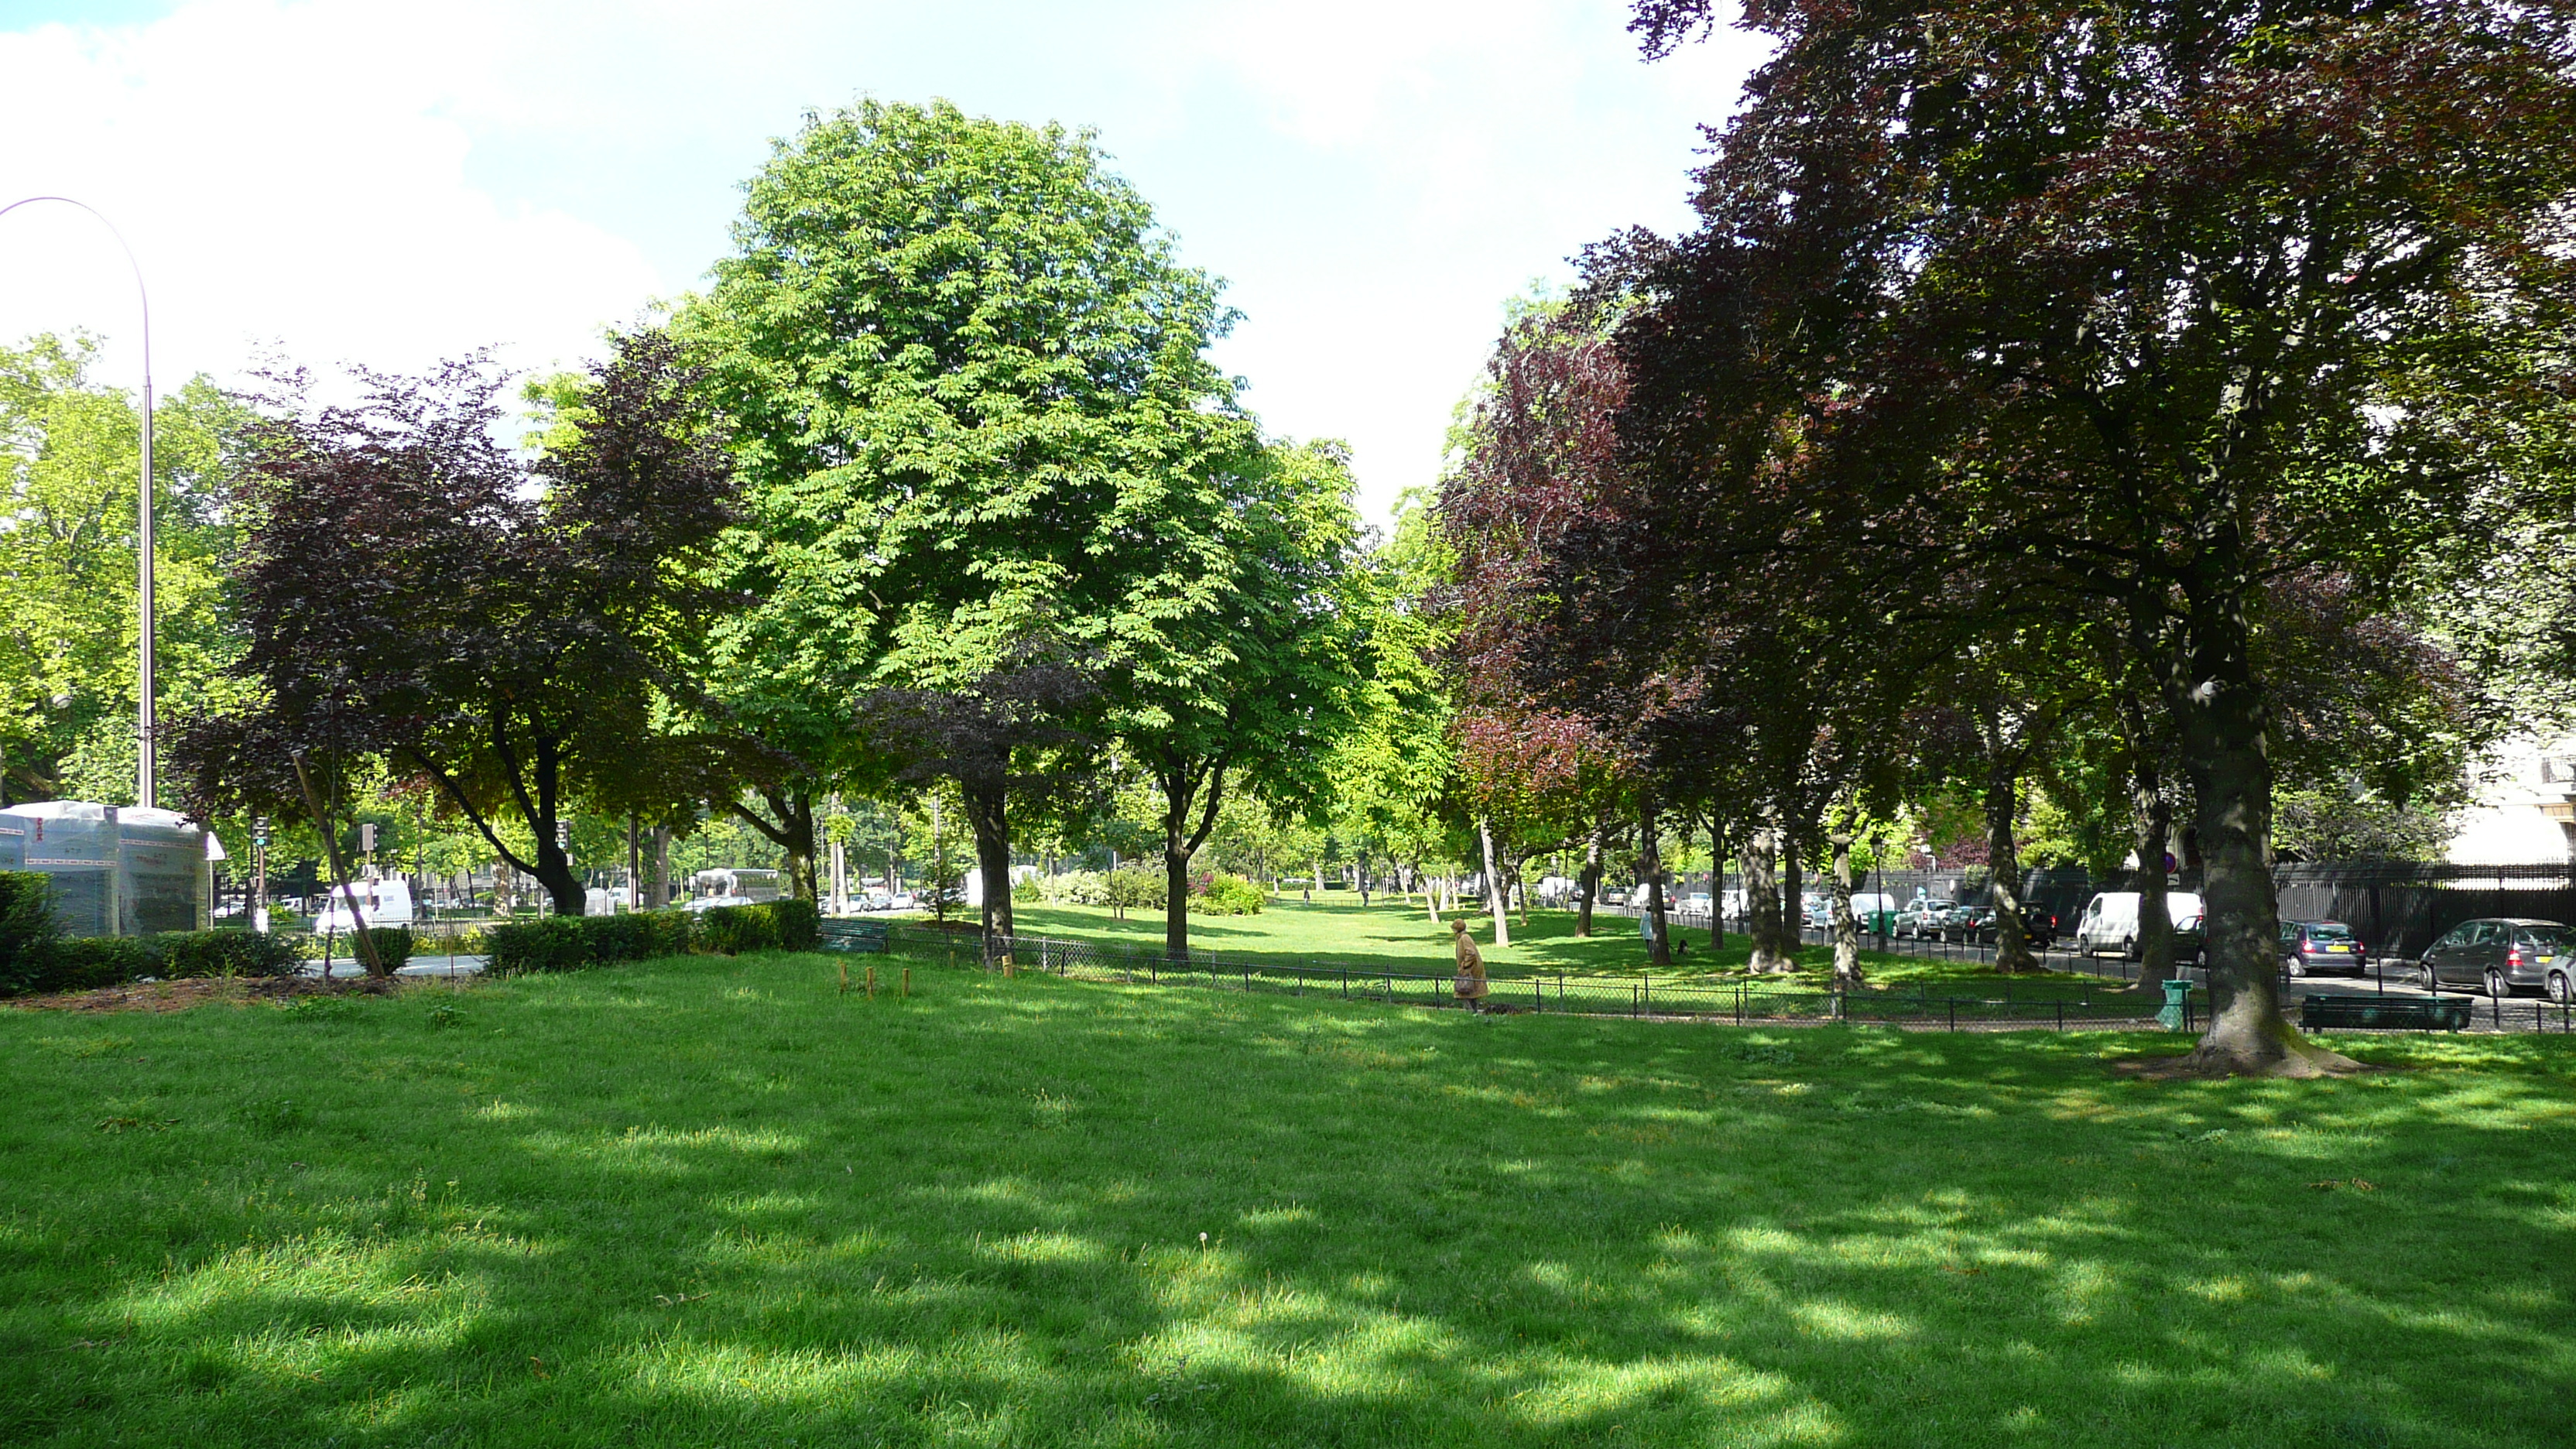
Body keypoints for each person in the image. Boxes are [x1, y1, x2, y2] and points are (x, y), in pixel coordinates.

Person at [1451, 918, 1490, 1012]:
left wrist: (1464, 966)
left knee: (1466, 991)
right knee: (1471, 994)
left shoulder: (1464, 938)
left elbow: (1471, 953)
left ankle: (1471, 1013)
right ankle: (1473, 1013)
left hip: (1471, 971)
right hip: (1471, 970)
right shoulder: (1463, 937)